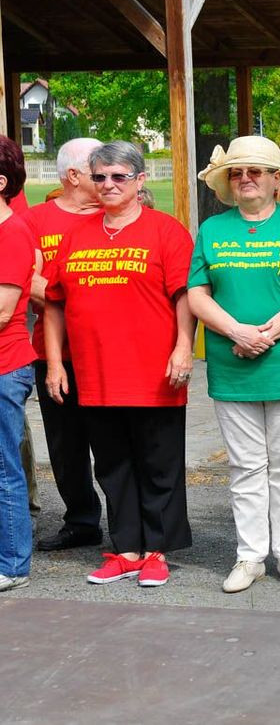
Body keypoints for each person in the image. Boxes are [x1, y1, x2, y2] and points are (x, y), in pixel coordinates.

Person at [42, 141, 195, 587]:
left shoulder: (166, 231)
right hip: (95, 373)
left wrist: (184, 347)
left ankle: (156, 552)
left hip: (154, 373)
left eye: (119, 176)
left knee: (158, 464)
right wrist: (55, 364)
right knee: (112, 465)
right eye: (100, 177)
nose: (108, 184)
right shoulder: (76, 235)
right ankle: (126, 549)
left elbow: (185, 296)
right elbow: (53, 303)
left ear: (140, 180)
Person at [190, 136, 280, 592]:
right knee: (245, 467)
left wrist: (266, 334)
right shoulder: (212, 229)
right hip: (232, 364)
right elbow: (197, 292)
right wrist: (236, 332)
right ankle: (250, 556)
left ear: (276, 180)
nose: (245, 178)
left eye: (256, 171)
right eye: (237, 172)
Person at [21, 138, 105, 551]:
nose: (107, 178)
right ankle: (82, 521)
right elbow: (22, 277)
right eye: (98, 170)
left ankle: (128, 525)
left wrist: (60, 293)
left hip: (106, 353)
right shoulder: (34, 221)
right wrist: (78, 298)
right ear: (73, 175)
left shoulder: (115, 214)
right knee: (65, 446)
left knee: (112, 444)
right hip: (54, 353)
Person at [0, 137, 36, 591]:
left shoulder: (11, 233)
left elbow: (4, 310)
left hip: (5, 366)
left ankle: (12, 564)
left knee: (3, 468)